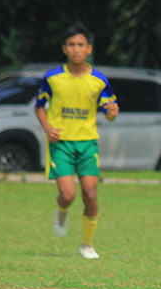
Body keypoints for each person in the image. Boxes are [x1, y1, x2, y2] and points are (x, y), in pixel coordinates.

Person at [34, 21, 120, 259]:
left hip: (87, 143)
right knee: (69, 195)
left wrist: (112, 113)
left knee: (91, 194)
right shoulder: (52, 79)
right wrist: (48, 128)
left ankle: (87, 245)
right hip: (60, 143)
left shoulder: (99, 81)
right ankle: (61, 209)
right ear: (64, 49)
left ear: (89, 48)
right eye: (71, 45)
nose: (76, 49)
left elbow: (109, 110)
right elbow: (39, 107)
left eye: (80, 44)